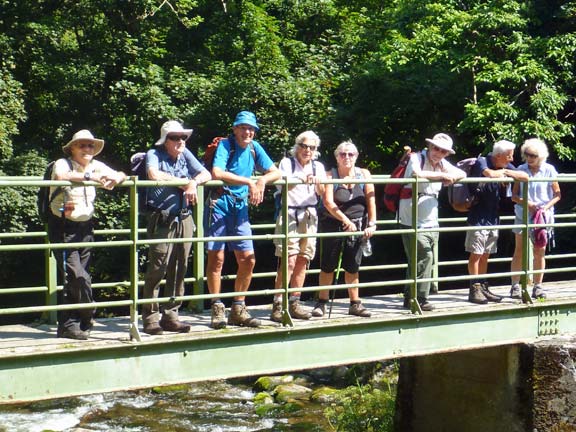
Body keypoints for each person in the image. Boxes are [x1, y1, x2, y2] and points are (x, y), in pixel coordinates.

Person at [48, 129, 127, 340]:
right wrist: (90, 177)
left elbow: (121, 174)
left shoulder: (96, 165)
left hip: (85, 227)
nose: (87, 149)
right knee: (75, 276)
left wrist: (115, 180)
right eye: (82, 145)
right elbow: (62, 176)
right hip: (63, 227)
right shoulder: (63, 163)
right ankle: (87, 313)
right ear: (72, 148)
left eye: (90, 145)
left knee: (80, 276)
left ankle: (73, 325)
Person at [205, 111, 281, 329]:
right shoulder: (225, 145)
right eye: (243, 128)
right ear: (235, 129)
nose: (248, 132)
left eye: (251, 129)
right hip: (219, 204)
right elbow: (217, 172)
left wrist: (262, 181)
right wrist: (249, 182)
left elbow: (275, 172)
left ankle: (238, 307)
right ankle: (217, 307)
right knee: (216, 258)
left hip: (240, 208)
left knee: (248, 258)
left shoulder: (254, 147)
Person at [142, 120, 211, 335]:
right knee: (158, 267)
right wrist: (182, 181)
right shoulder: (154, 153)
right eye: (175, 137)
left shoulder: (185, 153)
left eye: (183, 137)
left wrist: (193, 183)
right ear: (165, 140)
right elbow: (154, 174)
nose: (180, 141)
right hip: (162, 218)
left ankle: (171, 315)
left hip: (185, 218)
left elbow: (206, 174)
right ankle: (150, 318)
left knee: (180, 266)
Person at [398, 133, 466, 311]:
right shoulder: (415, 157)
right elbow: (417, 174)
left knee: (421, 259)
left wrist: (450, 176)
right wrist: (443, 177)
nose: (438, 152)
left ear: (447, 154)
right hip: (410, 218)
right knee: (425, 256)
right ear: (429, 146)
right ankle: (420, 298)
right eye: (436, 148)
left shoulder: (442, 164)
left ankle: (409, 297)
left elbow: (462, 173)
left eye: (443, 151)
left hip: (431, 219)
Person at [312, 140, 376, 318]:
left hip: (357, 225)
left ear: (356, 156)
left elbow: (371, 200)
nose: (346, 157)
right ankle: (322, 302)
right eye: (342, 154)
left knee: (353, 265)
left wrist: (372, 223)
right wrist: (346, 220)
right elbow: (328, 202)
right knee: (328, 264)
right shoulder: (330, 175)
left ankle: (355, 303)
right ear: (337, 157)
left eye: (350, 154)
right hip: (333, 224)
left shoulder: (364, 174)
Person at [270, 131, 326, 323]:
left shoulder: (318, 166)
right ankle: (278, 304)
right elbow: (282, 188)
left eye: (311, 147)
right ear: (297, 146)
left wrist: (318, 183)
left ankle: (294, 302)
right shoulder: (287, 163)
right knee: (288, 260)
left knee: (304, 259)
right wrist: (299, 179)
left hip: (310, 215)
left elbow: (322, 193)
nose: (307, 150)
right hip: (290, 214)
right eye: (304, 146)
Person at [466, 139, 528, 304]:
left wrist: (506, 172)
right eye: (509, 156)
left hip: (493, 217)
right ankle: (474, 288)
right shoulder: (482, 161)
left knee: (486, 254)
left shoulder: (504, 165)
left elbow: (524, 177)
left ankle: (484, 287)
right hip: (478, 216)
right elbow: (491, 175)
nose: (511, 160)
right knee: (476, 254)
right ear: (499, 155)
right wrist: (505, 173)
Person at [509, 138, 561, 299]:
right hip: (523, 214)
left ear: (541, 156)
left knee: (540, 251)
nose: (529, 158)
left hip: (542, 216)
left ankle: (538, 286)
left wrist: (545, 208)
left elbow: (557, 194)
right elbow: (514, 195)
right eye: (527, 154)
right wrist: (528, 204)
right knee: (519, 250)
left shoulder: (549, 170)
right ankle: (515, 286)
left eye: (533, 155)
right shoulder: (520, 169)